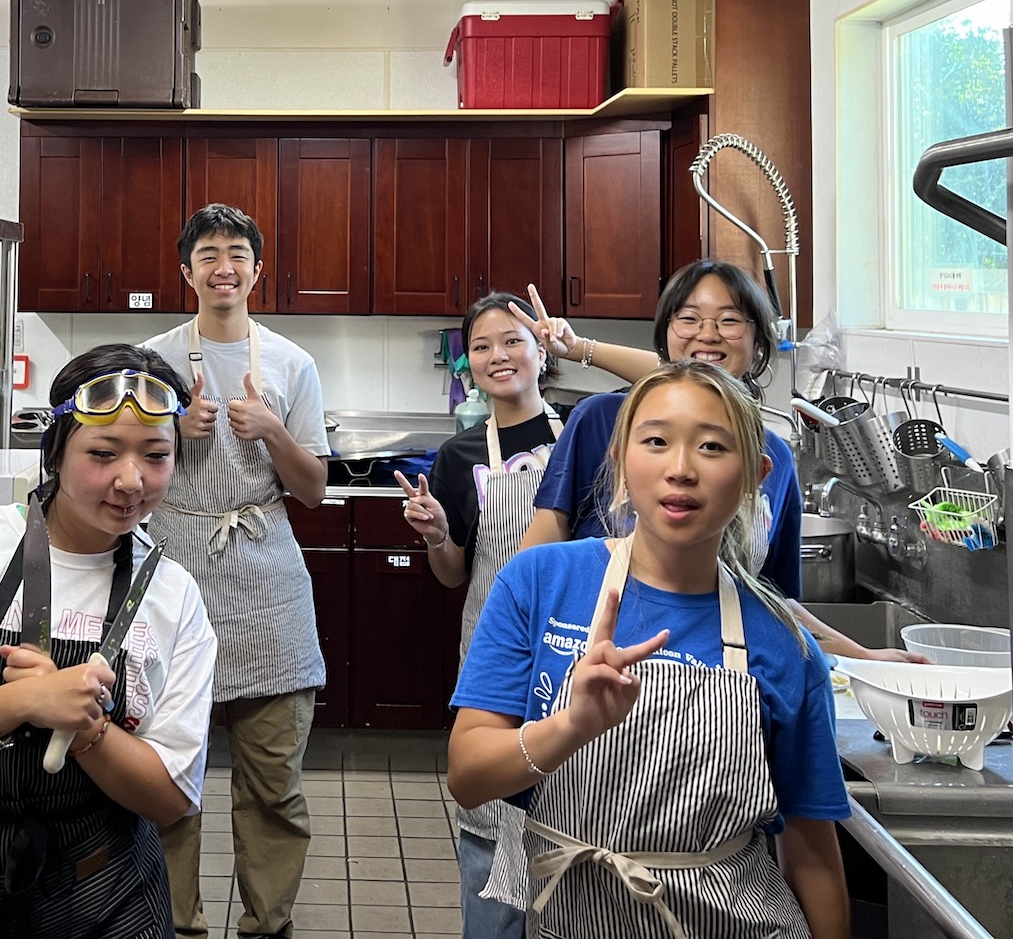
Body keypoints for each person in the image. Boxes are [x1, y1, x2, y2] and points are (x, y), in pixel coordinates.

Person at [448, 361, 852, 939]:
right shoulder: (540, 583)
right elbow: (467, 776)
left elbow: (811, 850)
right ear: (619, 459)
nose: (680, 469)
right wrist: (571, 726)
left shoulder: (785, 645)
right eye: (656, 441)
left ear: (754, 476)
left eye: (712, 447)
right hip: (567, 919)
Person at [0, 344, 218, 939]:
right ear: (55, 452)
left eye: (156, 455)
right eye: (102, 453)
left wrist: (86, 729)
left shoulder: (172, 594)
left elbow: (170, 800)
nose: (130, 480)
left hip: (110, 898)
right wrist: (20, 702)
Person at [514, 261, 924, 664]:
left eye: (729, 320)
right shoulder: (601, 420)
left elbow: (771, 603)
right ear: (666, 334)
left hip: (724, 673)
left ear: (759, 343)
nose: (708, 334)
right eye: (689, 318)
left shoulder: (774, 458)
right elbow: (535, 562)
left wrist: (863, 655)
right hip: (594, 660)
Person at [140, 203, 332, 939]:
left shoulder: (290, 363)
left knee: (273, 783)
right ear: (186, 272)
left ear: (257, 270)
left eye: (238, 254)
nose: (224, 267)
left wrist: (273, 430)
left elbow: (312, 489)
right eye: (209, 255)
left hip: (266, 577)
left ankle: (267, 923)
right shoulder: (153, 361)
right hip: (172, 570)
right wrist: (168, 431)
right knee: (165, 773)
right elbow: (122, 470)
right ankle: (174, 925)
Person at [395, 292, 567, 939]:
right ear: (467, 362)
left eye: (513, 340)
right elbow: (454, 573)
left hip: (573, 652)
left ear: (542, 348)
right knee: (491, 814)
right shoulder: (459, 455)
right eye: (482, 346)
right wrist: (439, 536)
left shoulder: (586, 438)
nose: (498, 355)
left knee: (573, 798)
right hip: (496, 654)